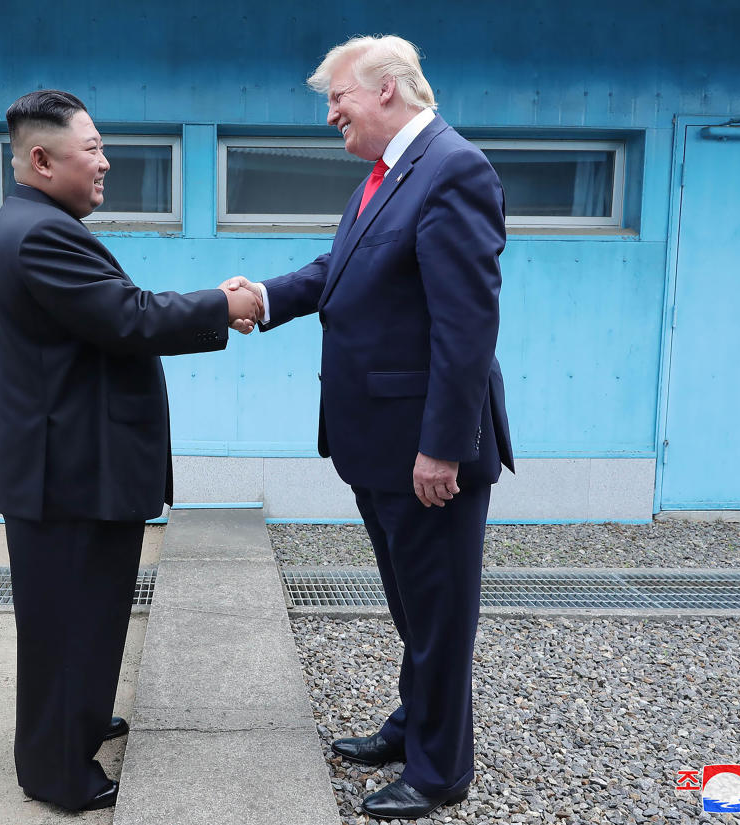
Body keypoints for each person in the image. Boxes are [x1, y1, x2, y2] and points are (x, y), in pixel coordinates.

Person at [226, 35, 514, 820]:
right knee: (412, 604)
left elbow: (466, 326)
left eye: (337, 98)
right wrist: (265, 296)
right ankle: (411, 723)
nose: (331, 115)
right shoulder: (385, 177)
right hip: (377, 443)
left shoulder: (454, 169)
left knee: (440, 613)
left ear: (387, 90)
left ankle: (441, 769)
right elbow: (337, 269)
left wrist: (443, 446)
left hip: (425, 449)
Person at [0, 89, 262, 811]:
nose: (107, 162)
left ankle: (77, 720)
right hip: (68, 474)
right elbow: (127, 316)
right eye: (93, 150)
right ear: (41, 161)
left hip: (72, 466)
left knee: (86, 614)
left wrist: (210, 303)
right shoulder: (41, 233)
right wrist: (222, 303)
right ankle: (56, 772)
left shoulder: (35, 221)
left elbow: (110, 315)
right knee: (69, 623)